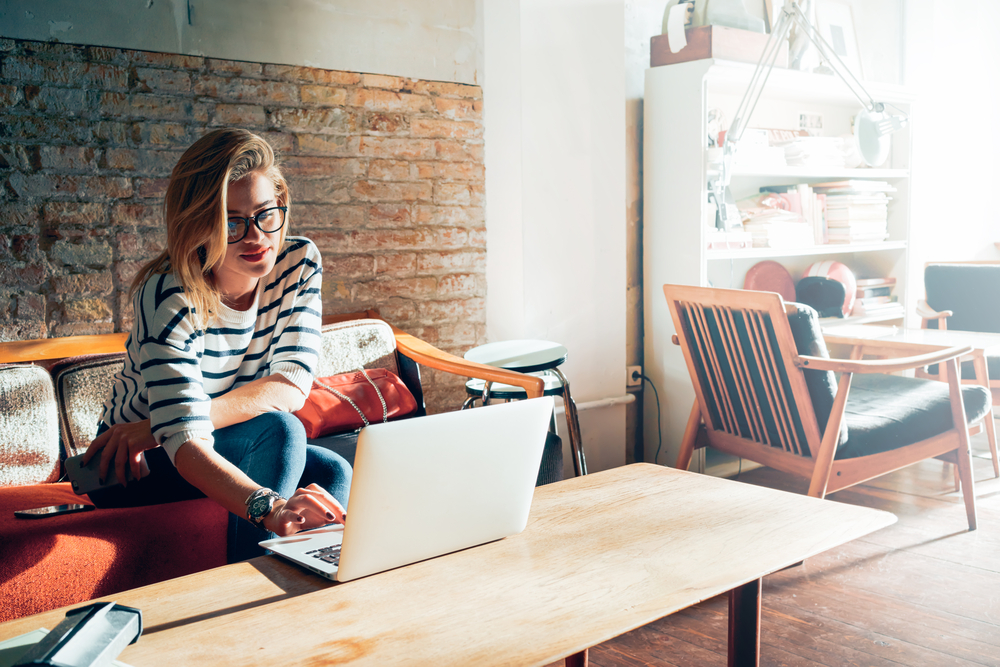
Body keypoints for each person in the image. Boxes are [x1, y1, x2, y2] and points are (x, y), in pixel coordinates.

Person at [83, 128, 350, 563]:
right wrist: (274, 509)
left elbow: (291, 385)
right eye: (231, 221)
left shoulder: (297, 264)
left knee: (331, 470)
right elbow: (186, 442)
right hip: (127, 462)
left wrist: (160, 424)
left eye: (266, 214)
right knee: (282, 431)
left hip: (177, 434)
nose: (256, 236)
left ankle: (313, 593)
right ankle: (248, 601)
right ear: (200, 225)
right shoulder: (168, 293)